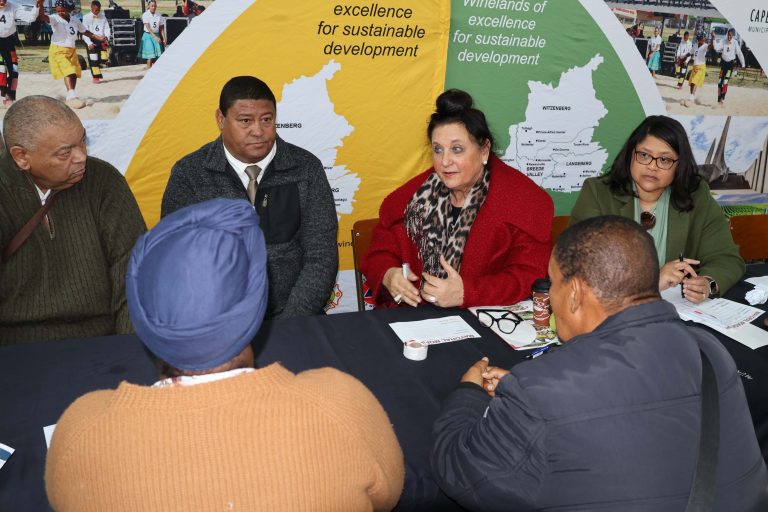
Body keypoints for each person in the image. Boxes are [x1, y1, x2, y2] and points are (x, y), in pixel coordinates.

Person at [44, 198, 405, 512]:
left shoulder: (82, 431)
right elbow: (386, 497)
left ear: (141, 315)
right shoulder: (339, 404)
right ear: (256, 303)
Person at [431, 215, 768, 511]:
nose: (550, 298)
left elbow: (463, 474)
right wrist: (538, 392)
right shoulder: (709, 350)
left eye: (553, 283)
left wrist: (469, 395)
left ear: (575, 294)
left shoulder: (539, 392)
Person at [162, 76, 338, 319]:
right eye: (245, 121)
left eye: (266, 119)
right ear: (221, 120)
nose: (258, 131)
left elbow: (321, 257)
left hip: (296, 317)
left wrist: (291, 324)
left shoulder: (306, 169)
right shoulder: (190, 175)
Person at [361, 89, 552, 309]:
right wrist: (389, 274)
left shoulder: (522, 201)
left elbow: (529, 274)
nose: (445, 161)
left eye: (457, 149)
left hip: (485, 319)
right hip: (415, 319)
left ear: (484, 150)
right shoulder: (413, 199)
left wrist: (468, 293)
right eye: (437, 150)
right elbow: (379, 253)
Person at [0, 96, 146, 344]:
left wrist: (128, 348)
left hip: (101, 341)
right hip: (15, 346)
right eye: (65, 152)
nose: (81, 157)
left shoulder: (104, 180)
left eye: (83, 141)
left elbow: (132, 272)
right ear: (21, 156)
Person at [570, 115, 744, 303]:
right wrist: (651, 283)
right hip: (611, 308)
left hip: (675, 309)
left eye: (665, 159)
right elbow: (578, 263)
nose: (652, 166)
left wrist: (708, 283)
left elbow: (726, 258)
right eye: (644, 155)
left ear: (679, 165)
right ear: (630, 154)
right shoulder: (598, 192)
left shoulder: (696, 194)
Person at [38, 0, 107, 109]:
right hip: (58, 50)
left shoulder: (75, 20)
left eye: (63, 10)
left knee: (74, 72)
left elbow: (85, 31)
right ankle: (73, 96)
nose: (60, 13)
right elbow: (42, 16)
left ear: (68, 10)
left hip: (71, 49)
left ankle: (70, 95)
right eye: (58, 11)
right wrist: (40, 4)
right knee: (69, 71)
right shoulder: (55, 18)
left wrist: (98, 37)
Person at [0, 0, 41, 106]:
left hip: (9, 42)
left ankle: (10, 96)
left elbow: (30, 18)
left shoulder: (13, 6)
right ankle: (3, 96)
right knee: (1, 70)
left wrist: (37, 5)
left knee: (14, 71)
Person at [712, 28, 745, 107]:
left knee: (725, 82)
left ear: (732, 35)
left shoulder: (735, 42)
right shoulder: (723, 41)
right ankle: (719, 99)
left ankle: (722, 98)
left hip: (730, 65)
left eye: (730, 35)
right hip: (723, 64)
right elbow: (716, 48)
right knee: (720, 82)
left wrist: (743, 64)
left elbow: (739, 53)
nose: (729, 37)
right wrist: (713, 38)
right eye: (728, 35)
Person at [82, 0, 110, 84]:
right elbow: (85, 32)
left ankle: (98, 68)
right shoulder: (86, 17)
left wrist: (107, 37)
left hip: (101, 40)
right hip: (91, 40)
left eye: (98, 10)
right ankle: (96, 77)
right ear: (91, 8)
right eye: (95, 10)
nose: (97, 12)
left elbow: (107, 28)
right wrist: (89, 43)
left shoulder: (103, 16)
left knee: (103, 59)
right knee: (93, 60)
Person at [682, 32, 714, 107]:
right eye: (702, 38)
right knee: (691, 83)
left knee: (695, 81)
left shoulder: (705, 46)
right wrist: (683, 56)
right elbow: (690, 53)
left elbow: (711, 46)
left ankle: (691, 98)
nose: (704, 39)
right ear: (699, 39)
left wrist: (713, 38)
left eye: (704, 38)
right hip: (695, 66)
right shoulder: (695, 45)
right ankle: (692, 97)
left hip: (701, 67)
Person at [139, 0, 165, 69]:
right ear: (148, 6)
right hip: (148, 36)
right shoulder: (145, 15)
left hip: (157, 35)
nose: (153, 7)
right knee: (150, 56)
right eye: (152, 6)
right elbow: (148, 27)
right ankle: (148, 71)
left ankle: (156, 71)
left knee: (158, 56)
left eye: (155, 6)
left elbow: (161, 27)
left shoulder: (159, 15)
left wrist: (164, 38)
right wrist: (155, 37)